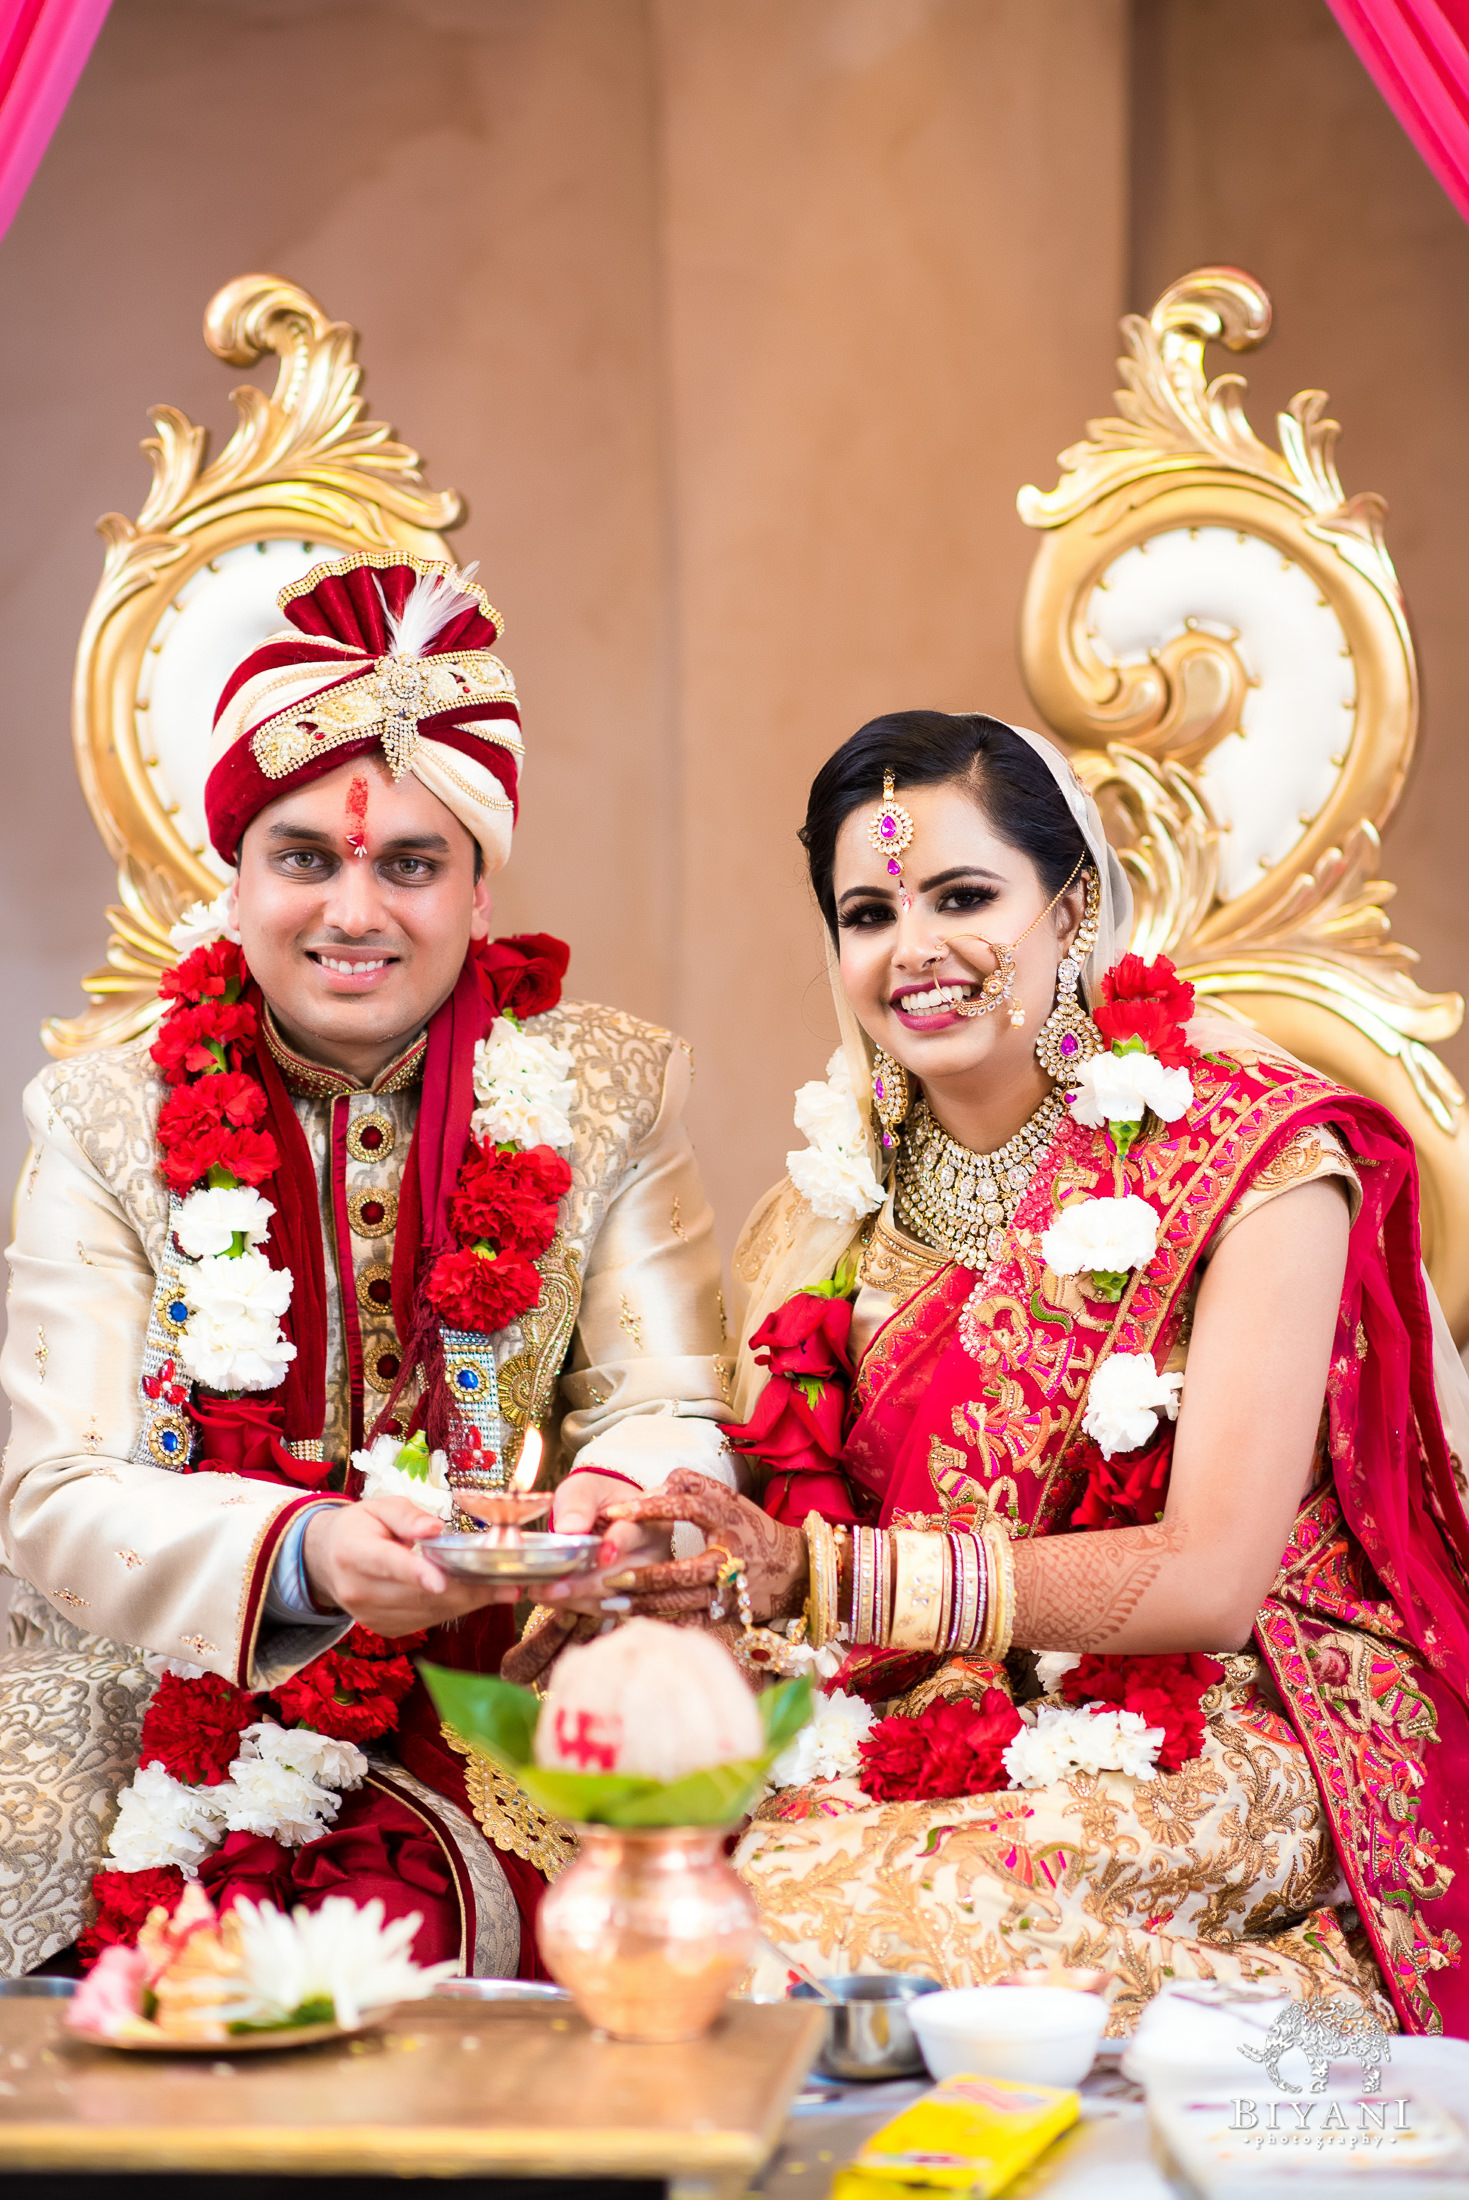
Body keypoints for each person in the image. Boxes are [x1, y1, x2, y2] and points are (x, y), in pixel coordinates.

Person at [588, 710, 1469, 2038]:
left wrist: (818, 1575)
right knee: (632, 1885)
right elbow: (774, 1549)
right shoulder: (816, 1219)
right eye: (867, 911)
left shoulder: (1259, 1168)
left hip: (1226, 1725)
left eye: (961, 896)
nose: (914, 951)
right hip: (907, 1711)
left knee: (794, 1933)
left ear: (1069, 908)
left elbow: (1208, 1578)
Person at [0, 551, 733, 1979]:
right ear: (234, 877)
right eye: (305, 859)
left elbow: (669, 1395)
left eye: (410, 863)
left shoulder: (603, 1090)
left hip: (498, 1646)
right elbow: (57, 1487)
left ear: (476, 887)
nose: (355, 912)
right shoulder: (103, 1112)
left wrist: (612, 1494)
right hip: (164, 1656)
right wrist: (304, 1555)